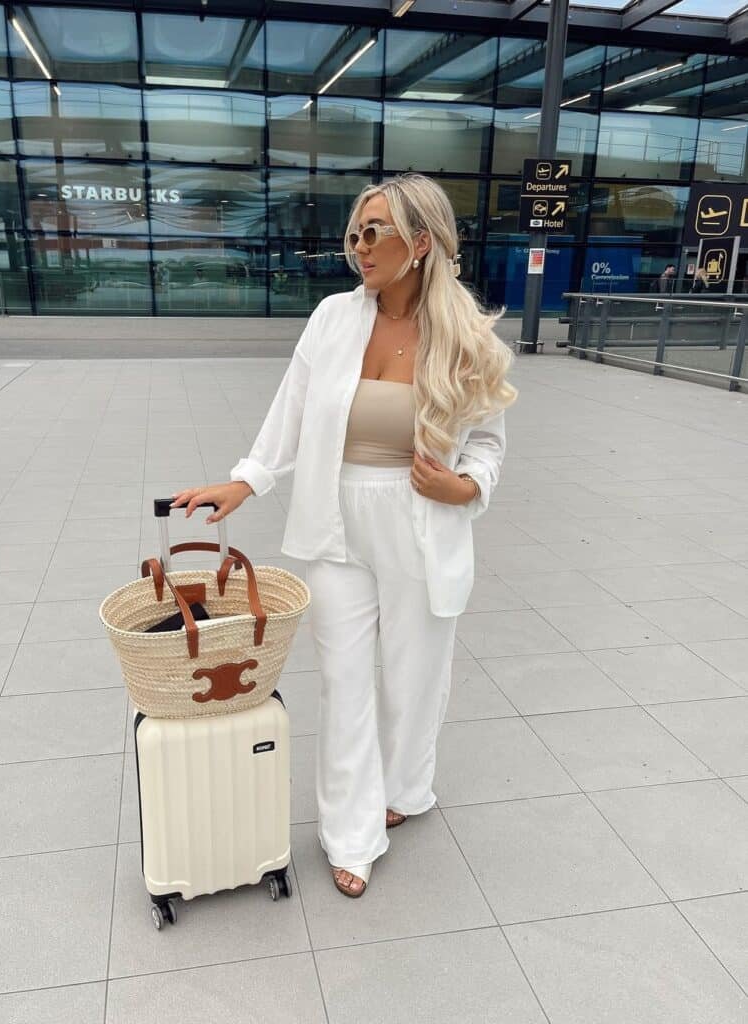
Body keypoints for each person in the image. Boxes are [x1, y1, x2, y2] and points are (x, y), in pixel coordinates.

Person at [172, 173, 517, 898]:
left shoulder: (465, 335)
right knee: (344, 679)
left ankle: (405, 787)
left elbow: (486, 442)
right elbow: (290, 415)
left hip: (422, 522)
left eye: (374, 232)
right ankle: (352, 834)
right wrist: (247, 478)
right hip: (336, 521)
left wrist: (465, 486)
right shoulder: (332, 318)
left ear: (420, 243)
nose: (359, 247)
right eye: (354, 234)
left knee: (416, 676)